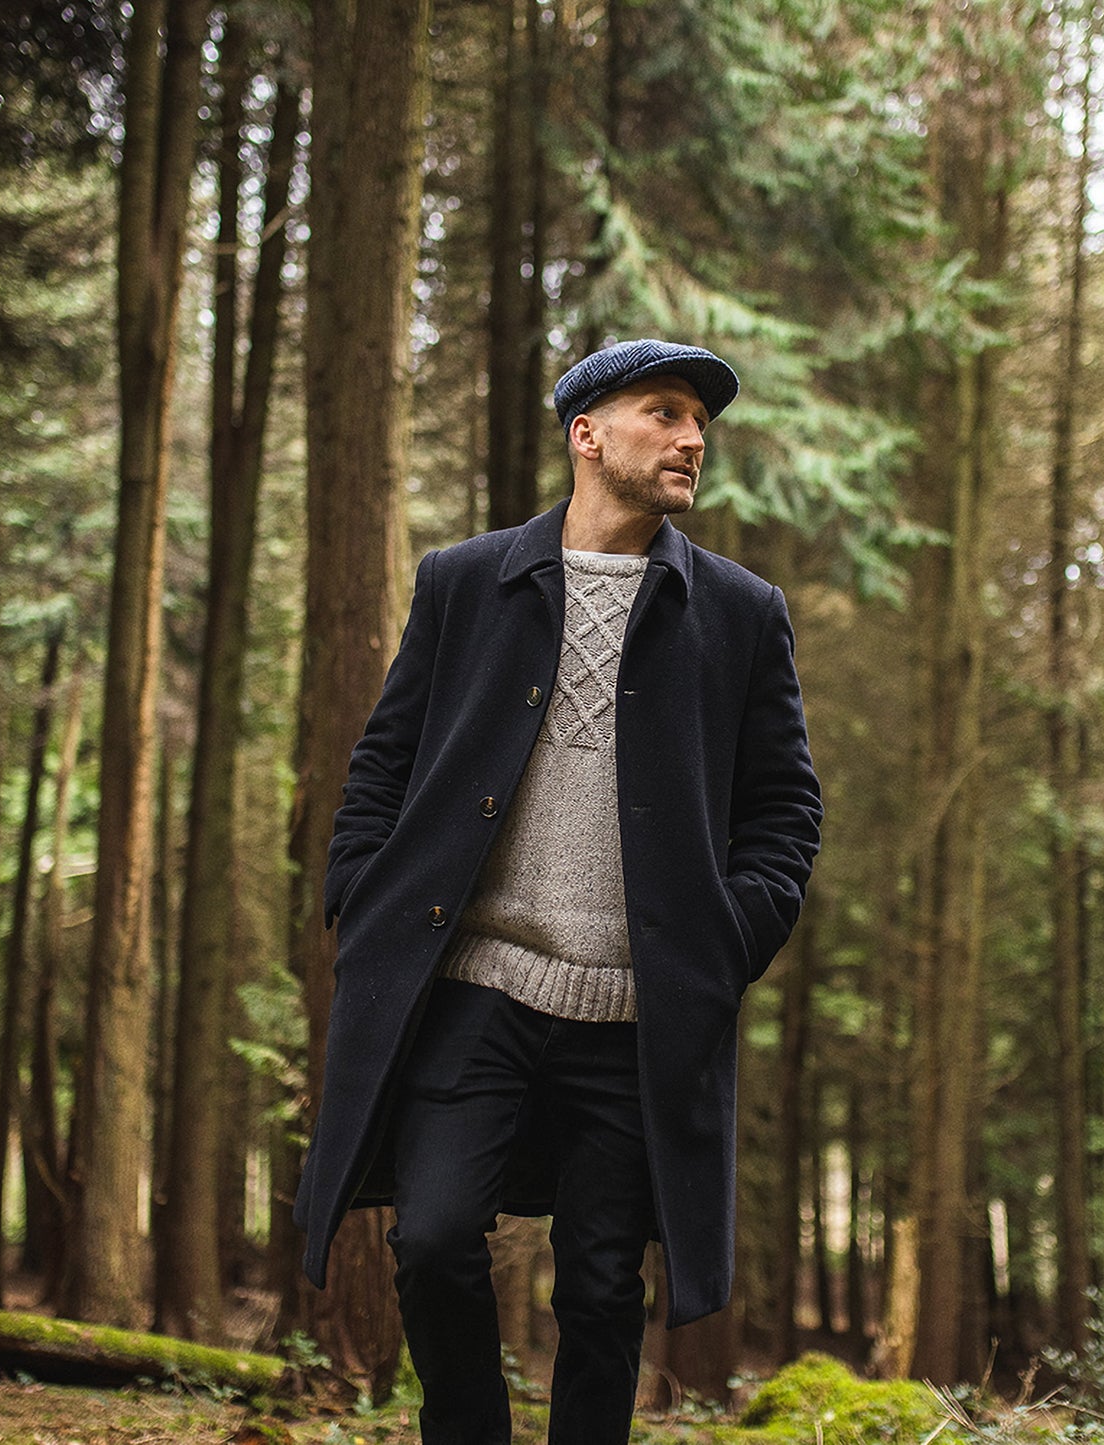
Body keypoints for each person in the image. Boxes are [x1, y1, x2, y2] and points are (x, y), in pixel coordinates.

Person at [293, 338, 823, 1445]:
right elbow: (382, 763)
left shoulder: (737, 611)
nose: (691, 438)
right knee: (431, 1237)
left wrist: (723, 941)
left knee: (598, 1287)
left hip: (636, 1013)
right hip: (473, 982)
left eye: (699, 423)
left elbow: (783, 811)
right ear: (586, 433)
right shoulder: (463, 581)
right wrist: (361, 892)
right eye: (664, 412)